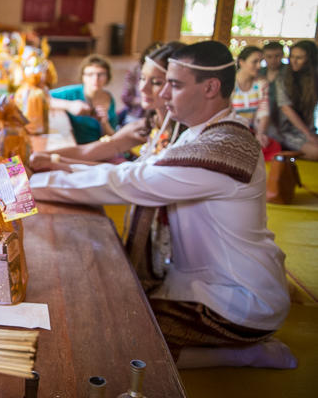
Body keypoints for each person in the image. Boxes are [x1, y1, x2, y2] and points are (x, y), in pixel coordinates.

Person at [29, 41, 294, 369]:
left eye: (175, 84)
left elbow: (131, 183)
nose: (164, 94)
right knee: (91, 311)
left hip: (238, 301)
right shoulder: (197, 133)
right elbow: (135, 172)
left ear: (211, 87)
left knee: (102, 336)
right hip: (201, 284)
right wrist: (58, 168)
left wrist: (29, 185)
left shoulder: (222, 146)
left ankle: (245, 354)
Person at [30, 42, 185, 172]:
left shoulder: (185, 142)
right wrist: (44, 156)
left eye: (156, 82)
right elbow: (89, 150)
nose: (143, 88)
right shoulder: (147, 125)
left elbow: (129, 177)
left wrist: (56, 162)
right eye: (142, 79)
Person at [257, 40, 318, 160]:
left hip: (303, 128)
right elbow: (286, 108)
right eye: (292, 57)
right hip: (282, 129)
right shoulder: (283, 77)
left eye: (299, 58)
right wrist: (308, 135)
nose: (293, 61)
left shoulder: (314, 78)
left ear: (310, 59)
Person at [49, 54, 118, 144]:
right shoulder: (72, 92)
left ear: (107, 77)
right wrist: (69, 105)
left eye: (100, 74)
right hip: (77, 147)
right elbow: (42, 98)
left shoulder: (109, 98)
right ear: (83, 77)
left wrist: (104, 123)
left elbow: (113, 137)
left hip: (100, 148)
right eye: (90, 74)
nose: (95, 79)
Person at [230, 45, 268, 129]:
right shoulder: (230, 83)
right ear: (242, 62)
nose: (259, 66)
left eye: (260, 62)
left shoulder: (261, 84)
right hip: (232, 130)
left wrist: (260, 134)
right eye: (254, 62)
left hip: (252, 131)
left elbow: (264, 111)